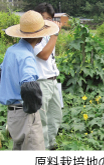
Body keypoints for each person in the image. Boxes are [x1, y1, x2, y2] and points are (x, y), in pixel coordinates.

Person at [0, 10, 59, 150]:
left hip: (12, 114)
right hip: (25, 114)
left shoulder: (11, 50)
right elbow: (29, 87)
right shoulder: (26, 56)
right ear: (40, 37)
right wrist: (34, 111)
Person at [33, 2, 63, 150]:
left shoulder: (48, 35)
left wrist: (52, 35)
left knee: (56, 115)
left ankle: (51, 143)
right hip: (40, 82)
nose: (46, 21)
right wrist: (55, 34)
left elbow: (50, 58)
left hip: (52, 80)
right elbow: (44, 55)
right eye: (43, 18)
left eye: (49, 19)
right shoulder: (33, 35)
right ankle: (42, 148)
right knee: (42, 119)